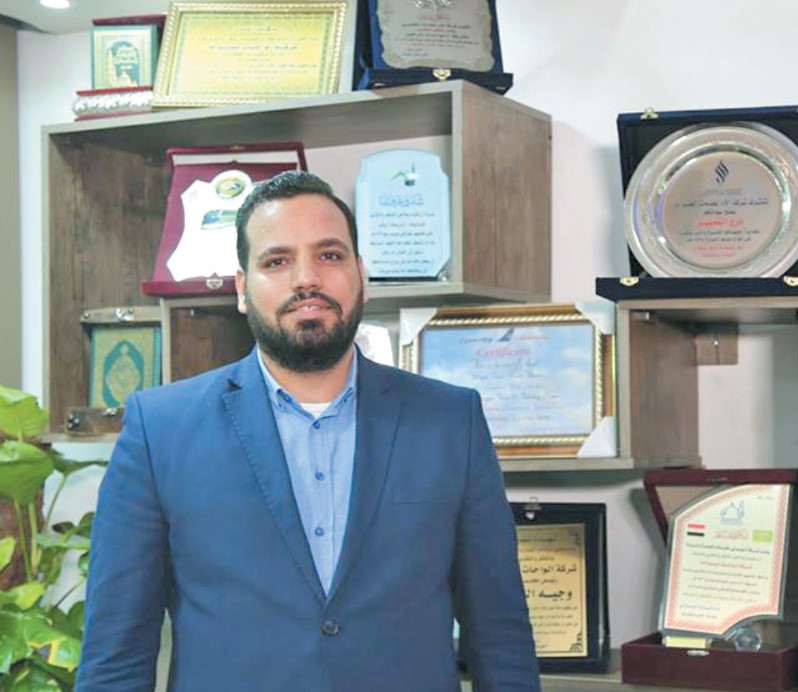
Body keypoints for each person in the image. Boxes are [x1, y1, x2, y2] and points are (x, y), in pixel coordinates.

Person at [76, 171, 540, 691]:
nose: (306, 279)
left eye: (330, 255)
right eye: (277, 261)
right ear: (242, 289)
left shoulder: (450, 420)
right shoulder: (160, 429)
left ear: (361, 274)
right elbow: (115, 656)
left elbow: (500, 636)